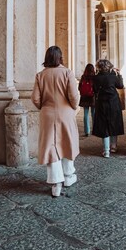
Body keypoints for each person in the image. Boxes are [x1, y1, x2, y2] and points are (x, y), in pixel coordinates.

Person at [31, 46, 80, 197]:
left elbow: (35, 98)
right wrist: (73, 107)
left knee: (51, 146)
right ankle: (68, 176)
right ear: (60, 57)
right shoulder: (67, 72)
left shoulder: (40, 75)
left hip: (47, 114)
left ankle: (55, 183)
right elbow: (74, 96)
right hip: (65, 113)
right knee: (67, 142)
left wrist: (44, 107)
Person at [92, 59, 124, 157]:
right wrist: (119, 75)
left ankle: (106, 151)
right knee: (114, 123)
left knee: (104, 126)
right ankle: (113, 147)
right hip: (113, 102)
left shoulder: (96, 78)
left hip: (102, 103)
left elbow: (95, 90)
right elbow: (120, 86)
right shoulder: (113, 76)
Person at [78, 63, 95, 136]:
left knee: (85, 114)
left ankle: (87, 131)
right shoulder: (94, 77)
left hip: (85, 97)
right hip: (92, 97)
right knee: (94, 114)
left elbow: (79, 87)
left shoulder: (83, 77)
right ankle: (95, 130)